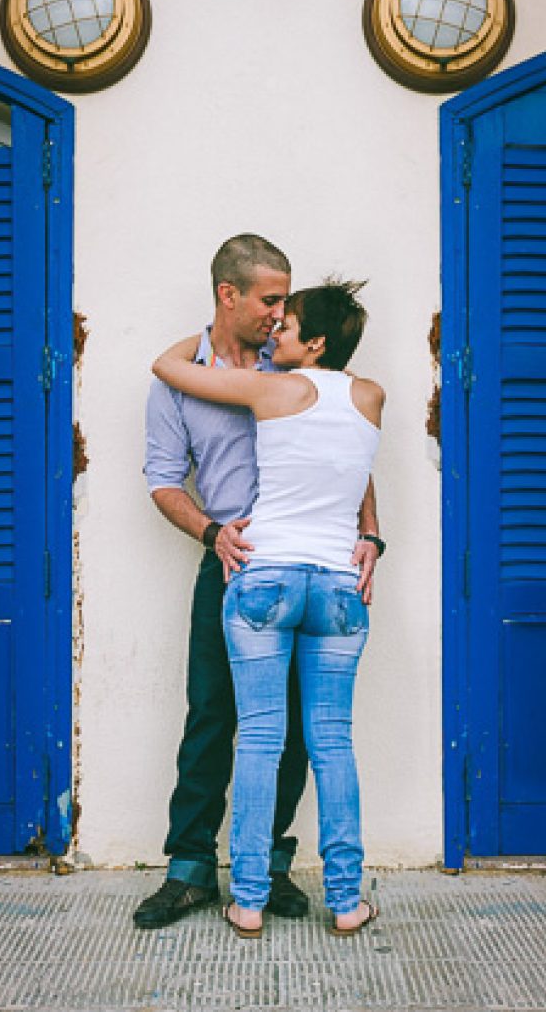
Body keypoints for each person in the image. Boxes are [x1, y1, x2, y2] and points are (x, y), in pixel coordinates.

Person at [136, 235, 382, 930]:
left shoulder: (293, 372)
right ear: (229, 294)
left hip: (294, 571)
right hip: (232, 562)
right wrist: (212, 532)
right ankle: (189, 869)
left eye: (286, 305)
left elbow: (352, 463)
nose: (278, 314)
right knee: (212, 716)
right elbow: (162, 481)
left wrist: (369, 533)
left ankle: (266, 873)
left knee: (291, 734)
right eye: (270, 300)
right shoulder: (184, 382)